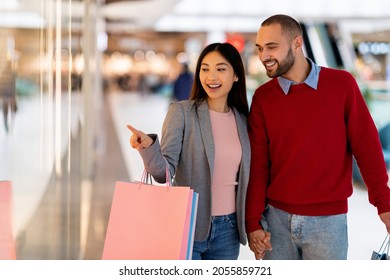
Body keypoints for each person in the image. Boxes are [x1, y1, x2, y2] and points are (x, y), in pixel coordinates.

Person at [245, 14, 390, 260]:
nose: (263, 56)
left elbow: (367, 148)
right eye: (260, 48)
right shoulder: (263, 98)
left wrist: (384, 203)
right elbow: (258, 165)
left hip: (328, 223)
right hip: (276, 221)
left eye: (271, 47)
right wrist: (253, 221)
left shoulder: (341, 85)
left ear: (297, 44)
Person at [127, 42, 258, 260]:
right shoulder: (182, 113)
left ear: (236, 75)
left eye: (220, 69)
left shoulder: (244, 121)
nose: (211, 76)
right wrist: (148, 147)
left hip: (229, 230)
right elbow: (164, 173)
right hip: (187, 225)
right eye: (205, 69)